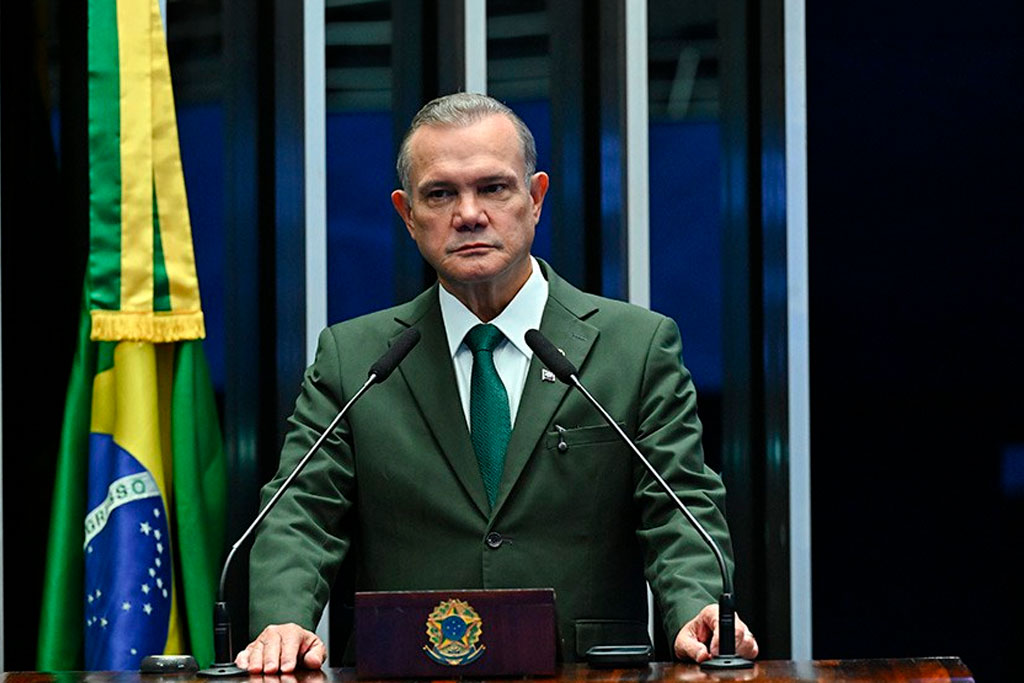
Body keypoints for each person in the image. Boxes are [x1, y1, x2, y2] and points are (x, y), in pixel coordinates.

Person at [236, 93, 759, 674]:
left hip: (586, 671)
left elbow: (679, 506)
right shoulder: (354, 358)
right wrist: (281, 621)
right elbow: (300, 513)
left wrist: (697, 606)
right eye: (441, 194)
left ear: (535, 198)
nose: (469, 214)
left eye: (493, 188)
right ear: (407, 215)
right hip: (407, 669)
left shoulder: (634, 348)